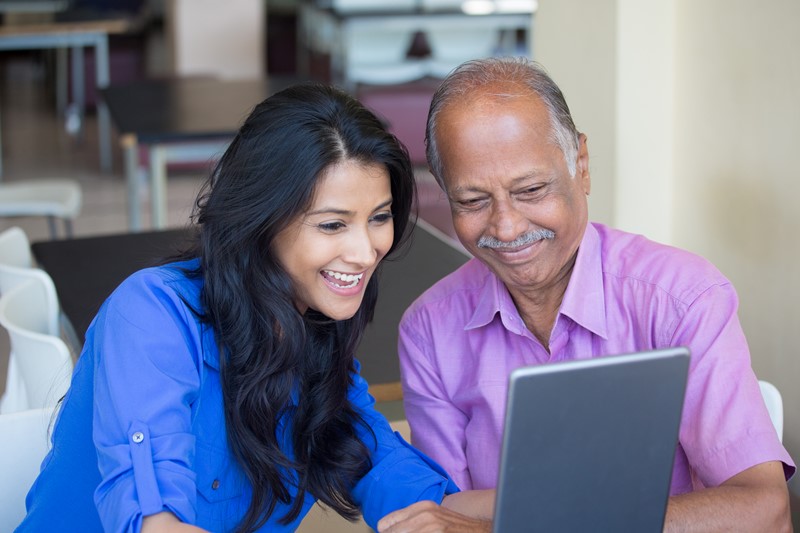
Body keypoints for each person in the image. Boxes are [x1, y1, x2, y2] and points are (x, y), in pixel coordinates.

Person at [16, 84, 491, 532]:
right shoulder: (151, 314)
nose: (366, 252)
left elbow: (404, 483)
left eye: (379, 218)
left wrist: (544, 504)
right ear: (261, 218)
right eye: (332, 225)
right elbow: (153, 519)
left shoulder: (313, 341)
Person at [397, 57, 795, 531]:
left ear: (580, 165)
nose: (506, 226)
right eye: (472, 201)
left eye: (531, 189)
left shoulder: (682, 299)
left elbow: (766, 512)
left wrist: (524, 519)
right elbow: (439, 512)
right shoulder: (429, 329)